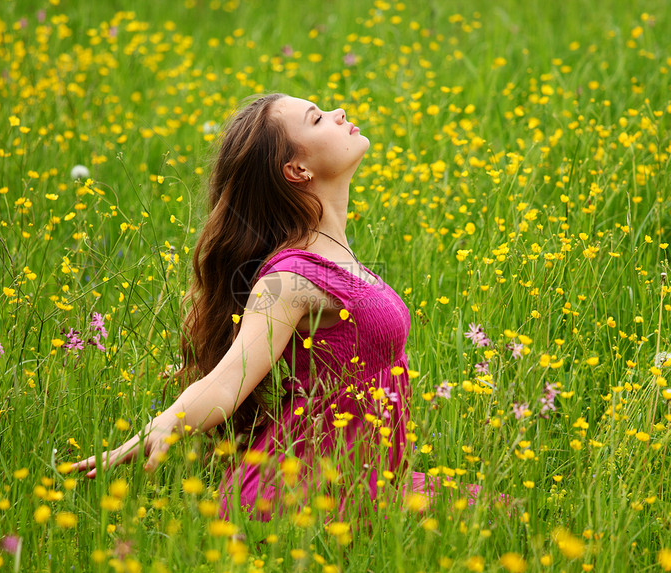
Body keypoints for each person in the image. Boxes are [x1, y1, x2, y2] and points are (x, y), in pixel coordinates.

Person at [71, 93, 491, 519]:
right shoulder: (289, 278)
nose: (338, 112)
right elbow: (228, 380)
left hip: (363, 480)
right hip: (306, 496)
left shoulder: (332, 252)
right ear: (297, 169)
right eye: (317, 118)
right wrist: (164, 423)